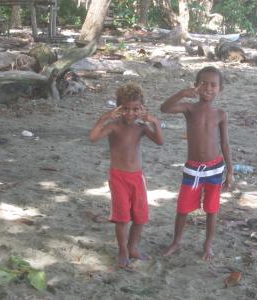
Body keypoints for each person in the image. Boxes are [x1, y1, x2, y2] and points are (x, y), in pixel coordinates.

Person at [160, 66, 233, 261]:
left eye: (213, 84)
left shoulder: (221, 114)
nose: (208, 88)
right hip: (193, 169)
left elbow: (225, 143)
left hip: (215, 169)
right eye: (203, 83)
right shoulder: (189, 108)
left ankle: (208, 244)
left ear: (220, 88)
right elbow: (164, 108)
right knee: (183, 208)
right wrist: (182, 94)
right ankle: (176, 242)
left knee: (211, 209)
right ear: (196, 86)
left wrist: (230, 171)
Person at [89, 83, 163, 268]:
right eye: (126, 109)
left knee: (140, 217)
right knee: (122, 218)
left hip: (137, 178)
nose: (131, 113)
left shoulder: (142, 127)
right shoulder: (114, 126)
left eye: (135, 109)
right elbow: (93, 137)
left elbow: (160, 141)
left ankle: (133, 248)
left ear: (142, 109)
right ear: (118, 109)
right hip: (118, 178)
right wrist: (104, 117)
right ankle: (123, 250)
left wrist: (154, 122)